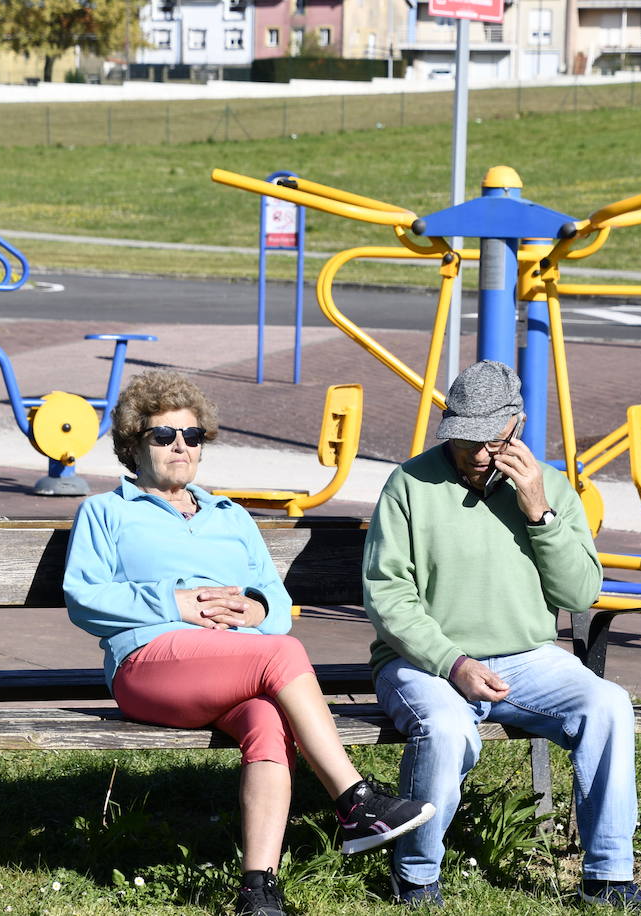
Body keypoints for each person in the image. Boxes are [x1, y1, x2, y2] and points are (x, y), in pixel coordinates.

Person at [63, 369, 434, 916]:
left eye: (191, 437)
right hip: (149, 666)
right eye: (164, 436)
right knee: (283, 656)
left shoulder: (230, 516)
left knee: (267, 719)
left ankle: (258, 890)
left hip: (234, 662)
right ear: (133, 443)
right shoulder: (107, 511)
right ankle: (354, 799)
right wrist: (175, 603)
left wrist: (256, 609)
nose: (180, 447)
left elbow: (278, 608)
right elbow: (84, 599)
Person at [363, 360, 641, 911]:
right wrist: (453, 663)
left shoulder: (549, 488)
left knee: (609, 704)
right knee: (446, 729)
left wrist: (538, 511)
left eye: (489, 440)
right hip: (424, 662)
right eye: (463, 438)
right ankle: (417, 874)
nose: (475, 453)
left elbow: (579, 594)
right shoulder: (409, 484)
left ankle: (608, 876)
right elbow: (387, 595)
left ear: (515, 427)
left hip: (528, 659)